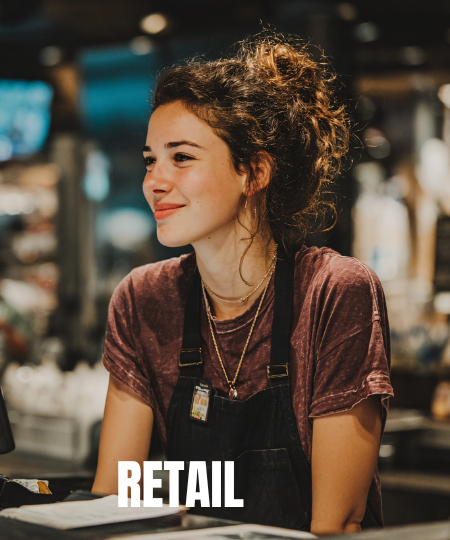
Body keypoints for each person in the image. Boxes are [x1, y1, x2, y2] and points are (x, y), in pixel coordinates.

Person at [92, 32, 393, 535]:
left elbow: (337, 523)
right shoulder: (143, 299)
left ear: (253, 171)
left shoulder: (333, 291)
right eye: (150, 160)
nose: (155, 181)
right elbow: (115, 498)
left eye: (181, 157)